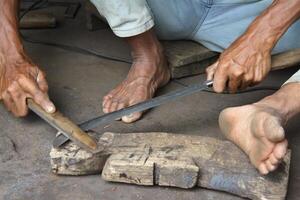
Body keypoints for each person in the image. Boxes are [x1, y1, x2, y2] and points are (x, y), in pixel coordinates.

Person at [0, 0, 299, 174]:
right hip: (164, 9)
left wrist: (262, 33)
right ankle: (147, 55)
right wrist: (9, 55)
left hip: (260, 12)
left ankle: (270, 108)